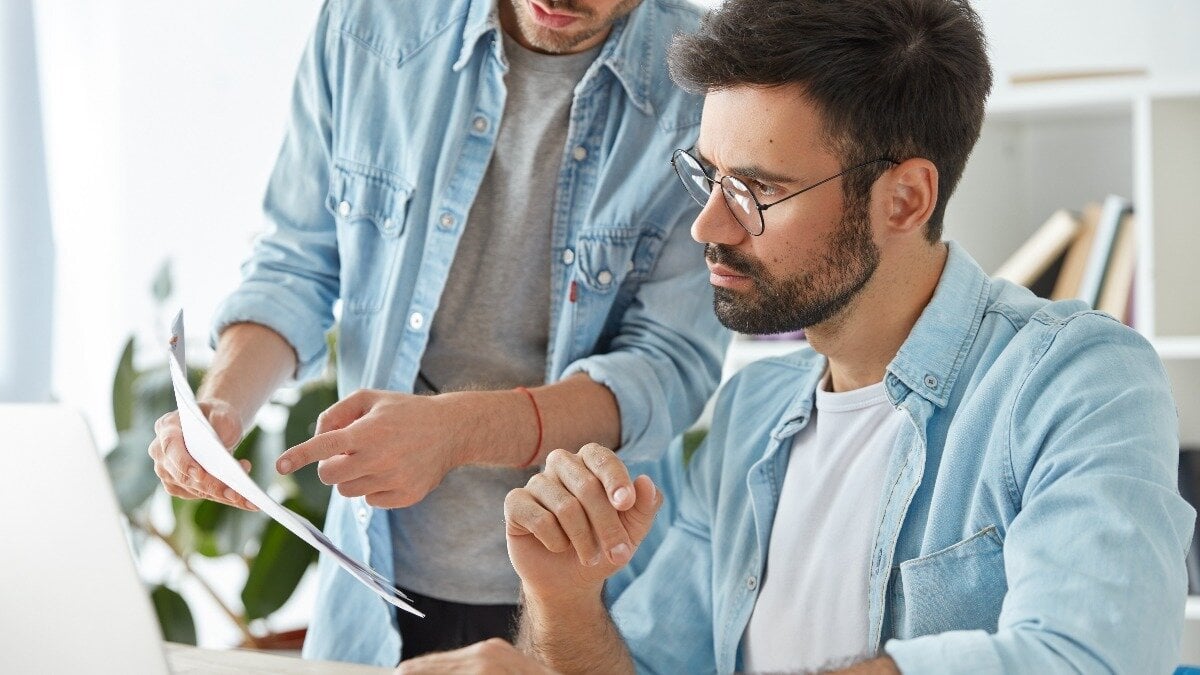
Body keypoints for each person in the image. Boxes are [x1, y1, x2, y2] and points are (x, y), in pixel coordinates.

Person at [397, 0, 1197, 673]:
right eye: (708, 176)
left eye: (755, 190)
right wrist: (563, 597)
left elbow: (1091, 655)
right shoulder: (749, 414)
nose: (708, 224)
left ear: (905, 198)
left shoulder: (1076, 379)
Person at [145, 0, 727, 667]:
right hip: (370, 580)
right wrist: (222, 402)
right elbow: (297, 262)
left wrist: (457, 430)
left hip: (580, 599)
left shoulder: (704, 85)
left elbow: (668, 367)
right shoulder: (371, 23)